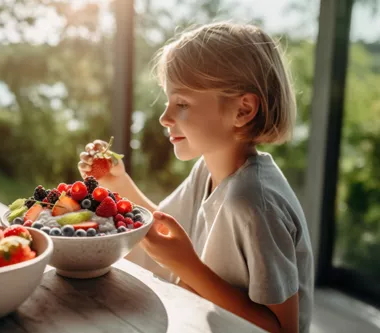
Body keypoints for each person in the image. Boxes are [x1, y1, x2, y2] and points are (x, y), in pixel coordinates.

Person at [78, 22, 314, 333]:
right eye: (168, 101)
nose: (164, 117)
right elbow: (164, 229)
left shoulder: (254, 203)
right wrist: (117, 183)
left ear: (243, 110)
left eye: (182, 103)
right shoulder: (207, 170)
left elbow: (283, 329)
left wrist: (187, 267)